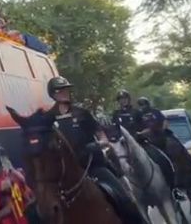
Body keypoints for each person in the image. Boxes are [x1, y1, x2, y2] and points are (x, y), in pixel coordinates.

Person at [45, 76, 147, 224]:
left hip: (92, 165)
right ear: (53, 94)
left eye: (67, 90)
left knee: (125, 199)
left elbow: (100, 133)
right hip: (67, 174)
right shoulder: (49, 118)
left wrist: (100, 143)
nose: (66, 93)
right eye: (61, 91)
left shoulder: (81, 112)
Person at [137, 96, 191, 217]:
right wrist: (143, 133)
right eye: (141, 105)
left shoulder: (156, 112)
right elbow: (140, 129)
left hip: (161, 137)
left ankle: (188, 163)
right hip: (149, 140)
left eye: (143, 104)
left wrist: (160, 129)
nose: (142, 107)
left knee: (176, 145)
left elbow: (165, 122)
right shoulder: (139, 116)